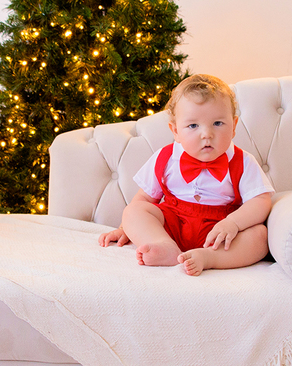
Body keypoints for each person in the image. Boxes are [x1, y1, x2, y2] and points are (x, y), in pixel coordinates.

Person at [99, 74, 273, 275]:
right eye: (193, 126)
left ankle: (209, 258)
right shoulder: (166, 157)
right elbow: (145, 198)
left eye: (217, 123)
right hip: (172, 225)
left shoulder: (242, 161)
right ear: (175, 131)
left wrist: (232, 223)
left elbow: (261, 201)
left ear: (233, 126)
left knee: (259, 236)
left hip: (219, 232)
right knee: (133, 211)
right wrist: (125, 228)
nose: (206, 134)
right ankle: (164, 246)